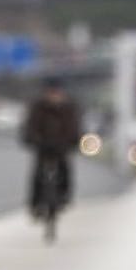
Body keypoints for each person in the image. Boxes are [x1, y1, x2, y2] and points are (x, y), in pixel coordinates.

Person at [21, 77, 82, 216]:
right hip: (42, 145)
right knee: (37, 174)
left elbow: (74, 128)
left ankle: (64, 196)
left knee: (65, 169)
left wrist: (72, 141)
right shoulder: (37, 107)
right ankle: (35, 203)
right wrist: (33, 139)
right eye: (51, 92)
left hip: (61, 146)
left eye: (56, 92)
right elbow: (30, 126)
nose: (54, 95)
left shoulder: (69, 108)